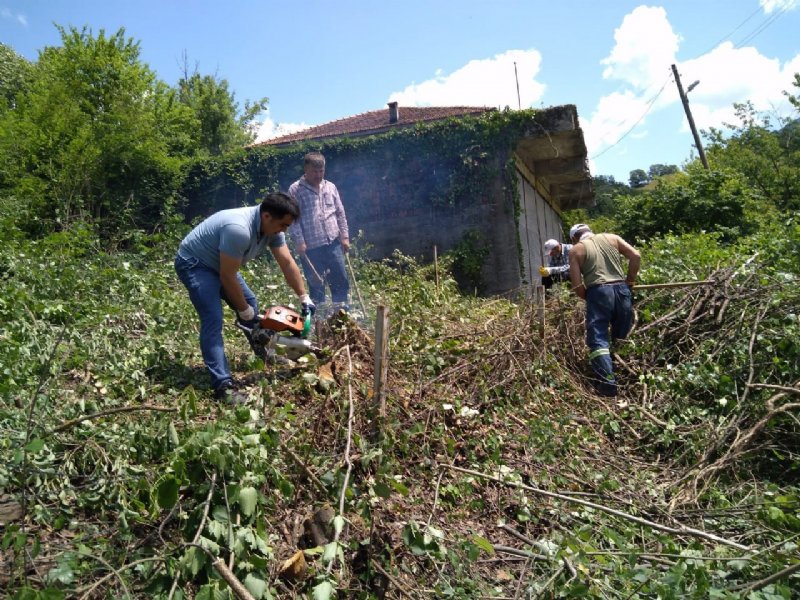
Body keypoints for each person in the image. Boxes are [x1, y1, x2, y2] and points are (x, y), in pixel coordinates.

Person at [174, 192, 315, 404]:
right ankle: (223, 386)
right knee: (213, 319)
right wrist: (244, 310)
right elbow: (227, 276)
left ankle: (264, 351)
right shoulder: (238, 230)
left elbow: (286, 262)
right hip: (196, 264)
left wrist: (304, 296)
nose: (284, 230)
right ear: (267, 216)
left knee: (251, 304)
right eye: (283, 225)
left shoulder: (273, 229)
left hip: (222, 264)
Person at [568, 223, 640, 397]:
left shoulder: (576, 250)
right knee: (621, 335)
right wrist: (629, 281)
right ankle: (625, 374)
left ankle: (608, 384)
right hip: (622, 289)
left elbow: (577, 286)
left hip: (598, 290)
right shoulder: (612, 238)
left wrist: (593, 298)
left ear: (574, 238)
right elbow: (636, 256)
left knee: (598, 338)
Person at [288, 152, 351, 309]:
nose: (318, 175)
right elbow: (293, 219)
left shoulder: (330, 187)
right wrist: (299, 241)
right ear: (306, 169)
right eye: (314, 171)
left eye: (321, 171)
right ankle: (321, 320)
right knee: (316, 284)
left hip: (333, 243)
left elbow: (340, 213)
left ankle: (341, 314)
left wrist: (345, 237)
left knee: (340, 279)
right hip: (311, 248)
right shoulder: (296, 190)